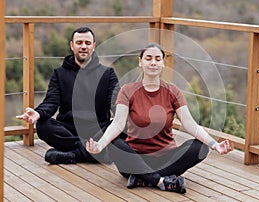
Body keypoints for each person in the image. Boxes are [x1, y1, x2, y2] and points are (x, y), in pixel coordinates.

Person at [86, 43, 234, 194]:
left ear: (163, 63)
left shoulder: (173, 91)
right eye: (148, 58)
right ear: (140, 62)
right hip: (135, 159)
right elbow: (117, 124)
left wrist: (215, 145)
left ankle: (142, 178)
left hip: (166, 159)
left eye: (158, 59)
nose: (153, 62)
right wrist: (100, 145)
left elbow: (190, 124)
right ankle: (160, 180)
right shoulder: (127, 91)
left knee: (200, 147)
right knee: (115, 143)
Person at [16, 27, 121, 164]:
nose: (83, 46)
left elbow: (116, 104)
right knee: (43, 125)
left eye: (88, 43)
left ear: (94, 46)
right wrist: (38, 113)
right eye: (79, 43)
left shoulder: (108, 74)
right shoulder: (59, 74)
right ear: (72, 45)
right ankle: (94, 153)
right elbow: (51, 102)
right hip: (68, 131)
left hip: (97, 130)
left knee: (121, 126)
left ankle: (72, 155)